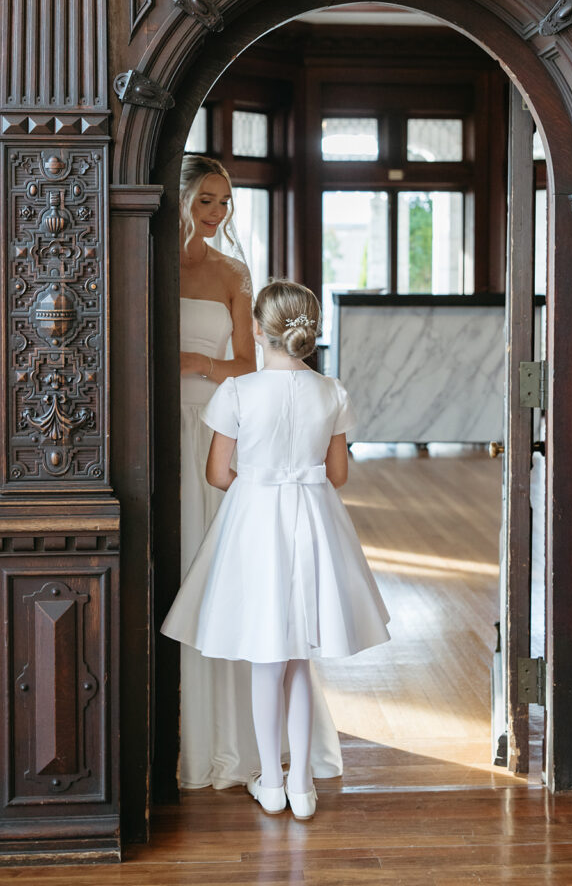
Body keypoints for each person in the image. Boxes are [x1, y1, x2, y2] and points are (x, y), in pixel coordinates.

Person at [163, 279, 390, 818]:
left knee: (268, 658)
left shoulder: (238, 391)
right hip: (313, 522)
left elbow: (218, 473)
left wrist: (261, 480)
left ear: (257, 331)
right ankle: (304, 785)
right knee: (298, 660)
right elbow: (337, 474)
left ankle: (271, 780)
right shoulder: (331, 391)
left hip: (256, 523)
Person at [177, 156, 342, 791]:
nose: (217, 214)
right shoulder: (151, 256)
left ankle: (248, 751)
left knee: (242, 586)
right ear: (185, 198)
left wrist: (193, 360)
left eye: (224, 202)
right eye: (207, 201)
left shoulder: (234, 273)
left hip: (220, 424)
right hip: (168, 423)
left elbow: (246, 363)